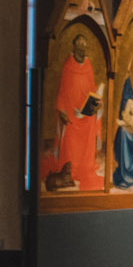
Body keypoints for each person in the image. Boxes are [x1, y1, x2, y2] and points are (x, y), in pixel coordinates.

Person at [44, 32, 105, 191]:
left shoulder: (88, 66)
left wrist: (96, 102)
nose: (82, 48)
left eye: (84, 45)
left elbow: (92, 89)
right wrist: (62, 111)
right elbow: (62, 91)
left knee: (90, 125)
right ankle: (70, 170)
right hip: (71, 113)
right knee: (70, 136)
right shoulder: (68, 66)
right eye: (80, 45)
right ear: (74, 46)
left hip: (85, 113)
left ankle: (85, 166)